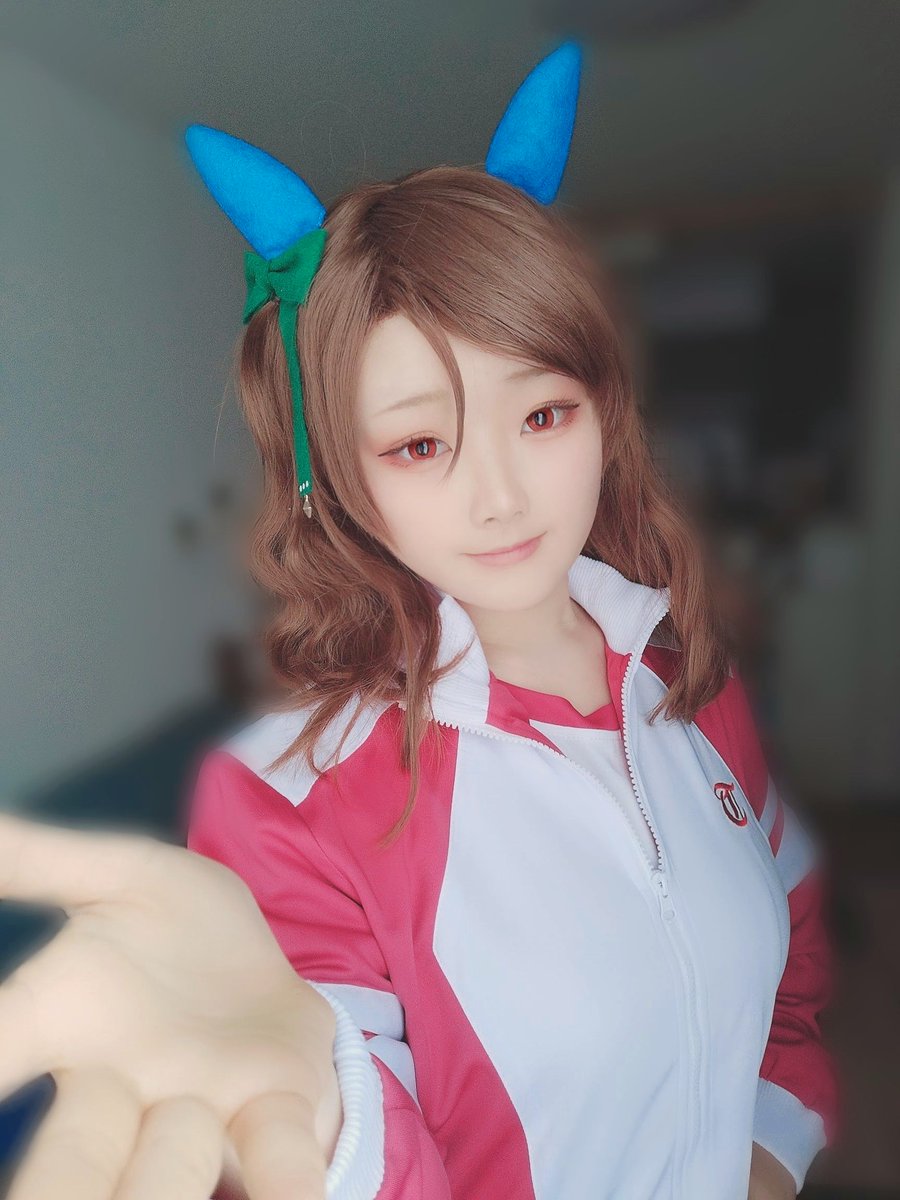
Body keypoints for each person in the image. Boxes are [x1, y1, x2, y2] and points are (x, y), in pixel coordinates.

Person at [0, 39, 838, 1200]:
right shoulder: (285, 798)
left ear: (605, 412)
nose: (500, 496)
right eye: (419, 444)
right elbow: (338, 1124)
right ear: (341, 479)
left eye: (542, 415)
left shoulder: (691, 681)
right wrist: (330, 1118)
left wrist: (765, 1165)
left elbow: (790, 983)